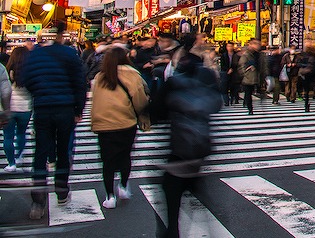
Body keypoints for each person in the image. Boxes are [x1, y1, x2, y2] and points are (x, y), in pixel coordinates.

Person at [151, 48, 222, 238]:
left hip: (179, 149)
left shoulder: (173, 84)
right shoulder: (205, 83)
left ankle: (171, 232)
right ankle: (209, 230)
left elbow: (155, 112)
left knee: (171, 193)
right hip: (201, 147)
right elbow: (217, 104)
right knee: (196, 188)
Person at [21, 22, 86, 218]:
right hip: (65, 108)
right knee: (63, 151)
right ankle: (62, 191)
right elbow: (79, 82)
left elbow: (26, 79)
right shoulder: (69, 54)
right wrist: (78, 109)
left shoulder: (35, 55)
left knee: (41, 153)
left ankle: (38, 201)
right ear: (61, 35)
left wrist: (39, 94)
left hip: (42, 109)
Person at [89, 45, 149, 209]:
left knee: (107, 161)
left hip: (103, 124)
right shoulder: (133, 75)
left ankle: (110, 196)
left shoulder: (100, 77)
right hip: (126, 122)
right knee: (125, 155)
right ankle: (123, 186)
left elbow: (96, 101)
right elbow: (140, 99)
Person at [3, 46, 31, 171]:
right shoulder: (30, 72)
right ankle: (19, 155)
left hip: (9, 107)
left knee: (8, 136)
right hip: (25, 107)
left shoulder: (7, 71)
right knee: (21, 133)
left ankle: (11, 163)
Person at [239, 39, 264, 115]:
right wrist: (246, 72)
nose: (258, 46)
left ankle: (247, 104)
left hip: (256, 76)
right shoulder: (246, 55)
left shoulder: (258, 54)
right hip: (248, 77)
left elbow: (262, 65)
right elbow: (241, 66)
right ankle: (250, 108)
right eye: (256, 44)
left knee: (250, 93)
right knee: (248, 93)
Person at [295, 43, 315, 112]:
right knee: (312, 88)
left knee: (306, 90)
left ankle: (306, 104)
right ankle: (308, 102)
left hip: (305, 74)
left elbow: (298, 63)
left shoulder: (303, 55)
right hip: (312, 74)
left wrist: (303, 67)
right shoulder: (314, 56)